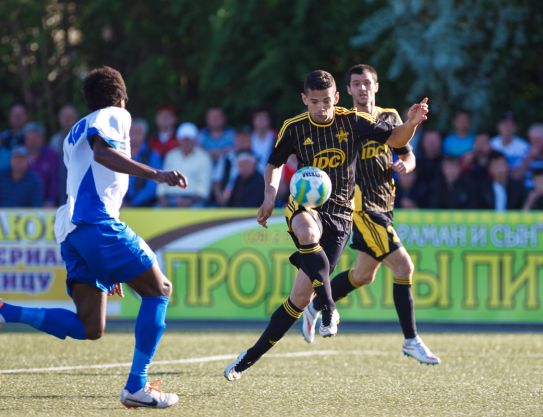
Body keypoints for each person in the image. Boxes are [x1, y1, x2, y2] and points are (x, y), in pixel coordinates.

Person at [224, 69, 429, 381]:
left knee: (300, 298)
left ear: (336, 98)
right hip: (305, 204)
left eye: (326, 101)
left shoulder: (352, 121)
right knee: (306, 231)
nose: (321, 108)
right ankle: (330, 307)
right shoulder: (294, 127)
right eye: (314, 102)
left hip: (340, 216)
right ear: (305, 100)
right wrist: (269, 196)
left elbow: (395, 139)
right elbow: (274, 164)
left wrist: (411, 124)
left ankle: (249, 357)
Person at [0, 66, 187, 408]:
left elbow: (91, 168)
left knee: (91, 327)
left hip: (72, 230)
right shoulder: (114, 114)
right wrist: (156, 174)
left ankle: (6, 311)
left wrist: (105, 263)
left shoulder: (74, 130)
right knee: (159, 291)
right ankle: (137, 385)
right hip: (95, 223)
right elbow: (102, 153)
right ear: (121, 96)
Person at [300, 64, 439, 365]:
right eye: (356, 84)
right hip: (362, 207)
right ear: (347, 90)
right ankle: (411, 340)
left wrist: (408, 165)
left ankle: (316, 305)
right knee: (404, 268)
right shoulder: (345, 123)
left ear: (376, 86)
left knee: (363, 275)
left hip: (385, 204)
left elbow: (406, 152)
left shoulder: (390, 117)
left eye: (367, 83)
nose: (362, 88)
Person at [157, 122, 212, 207]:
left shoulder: (204, 158)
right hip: (169, 200)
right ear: (179, 140)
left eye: (189, 139)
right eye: (184, 139)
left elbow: (203, 188)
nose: (186, 142)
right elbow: (163, 180)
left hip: (194, 201)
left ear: (195, 140)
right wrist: (162, 197)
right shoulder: (171, 156)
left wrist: (190, 201)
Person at [211, 126, 253, 206]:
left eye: (246, 139)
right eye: (241, 139)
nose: (244, 143)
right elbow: (216, 181)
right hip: (228, 197)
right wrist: (220, 198)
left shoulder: (257, 158)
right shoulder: (226, 158)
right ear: (235, 140)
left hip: (251, 198)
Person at [124, 118, 162, 207]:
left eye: (138, 132)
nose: (134, 135)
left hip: (145, 206)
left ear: (144, 135)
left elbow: (152, 186)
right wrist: (121, 202)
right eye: (131, 132)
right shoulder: (119, 153)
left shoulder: (152, 155)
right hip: (119, 204)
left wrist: (132, 203)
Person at [23, 121, 59, 207]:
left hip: (45, 203)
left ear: (42, 138)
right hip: (24, 202)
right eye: (30, 138)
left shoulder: (51, 154)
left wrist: (51, 200)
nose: (33, 141)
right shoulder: (20, 155)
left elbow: (54, 179)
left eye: (36, 137)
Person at [513, 123, 543, 189]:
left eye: (538, 139)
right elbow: (516, 176)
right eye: (533, 139)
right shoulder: (524, 152)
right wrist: (529, 158)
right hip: (527, 189)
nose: (535, 142)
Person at [250, 107, 276, 173]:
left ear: (269, 121)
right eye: (259, 119)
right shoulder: (248, 138)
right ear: (253, 121)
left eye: (264, 119)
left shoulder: (276, 137)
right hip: (252, 174)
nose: (261, 121)